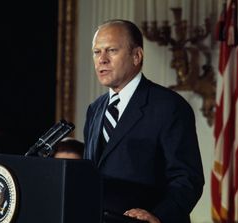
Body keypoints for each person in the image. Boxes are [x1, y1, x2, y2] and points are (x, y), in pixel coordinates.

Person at [83, 19, 204, 223]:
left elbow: (187, 179)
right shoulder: (95, 109)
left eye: (111, 50)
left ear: (136, 56)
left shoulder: (169, 106)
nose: (101, 60)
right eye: (97, 52)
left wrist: (158, 215)